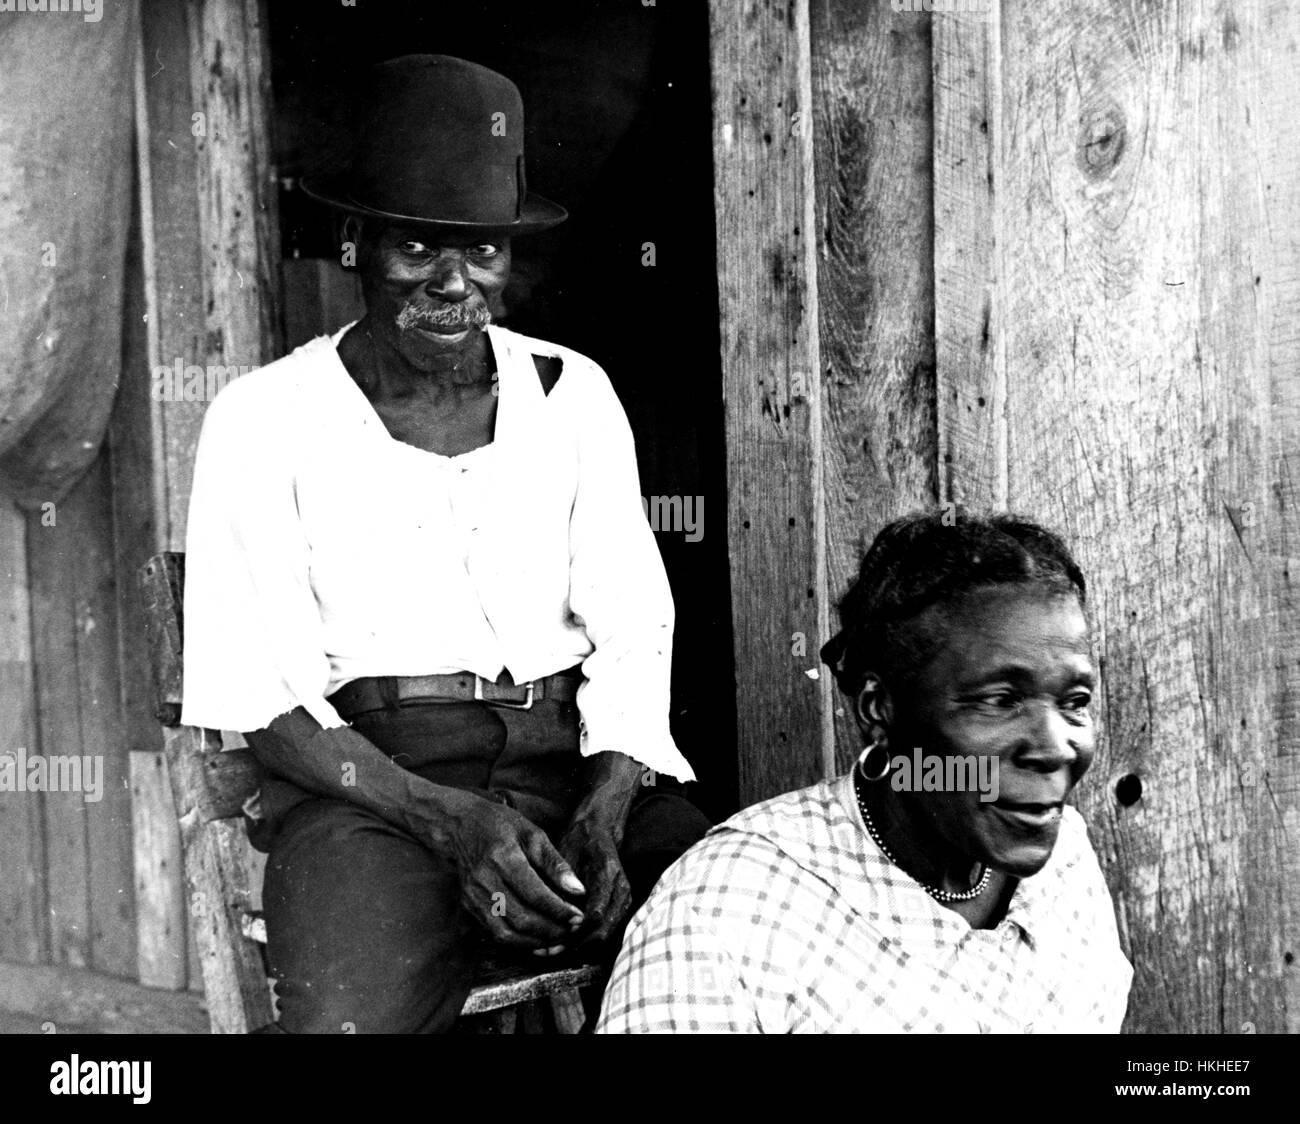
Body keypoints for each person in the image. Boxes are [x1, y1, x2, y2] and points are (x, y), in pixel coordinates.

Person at [180, 54, 709, 1033]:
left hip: (571, 767)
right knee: (347, 1003)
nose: (455, 283)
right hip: (373, 794)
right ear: (356, 242)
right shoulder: (263, 420)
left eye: (484, 251)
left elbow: (635, 632)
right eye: (419, 247)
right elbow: (262, 699)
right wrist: (443, 817)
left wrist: (601, 814)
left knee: (729, 916)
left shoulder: (572, 396)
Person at [597, 510, 1133, 1033]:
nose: (1056, 746)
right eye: (999, 699)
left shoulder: (1065, 863)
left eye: (1075, 700)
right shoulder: (728, 913)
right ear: (879, 708)